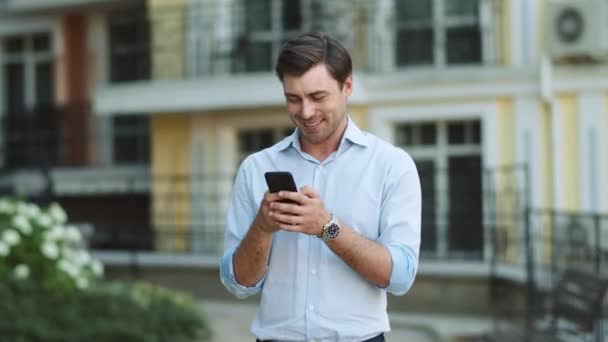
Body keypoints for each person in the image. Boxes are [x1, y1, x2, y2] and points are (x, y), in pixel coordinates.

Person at [219, 32, 421, 342]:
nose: (306, 112)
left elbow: (400, 276)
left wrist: (327, 227)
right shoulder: (256, 168)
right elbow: (239, 284)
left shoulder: (392, 165)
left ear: (347, 87)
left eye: (318, 97)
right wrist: (262, 226)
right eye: (293, 99)